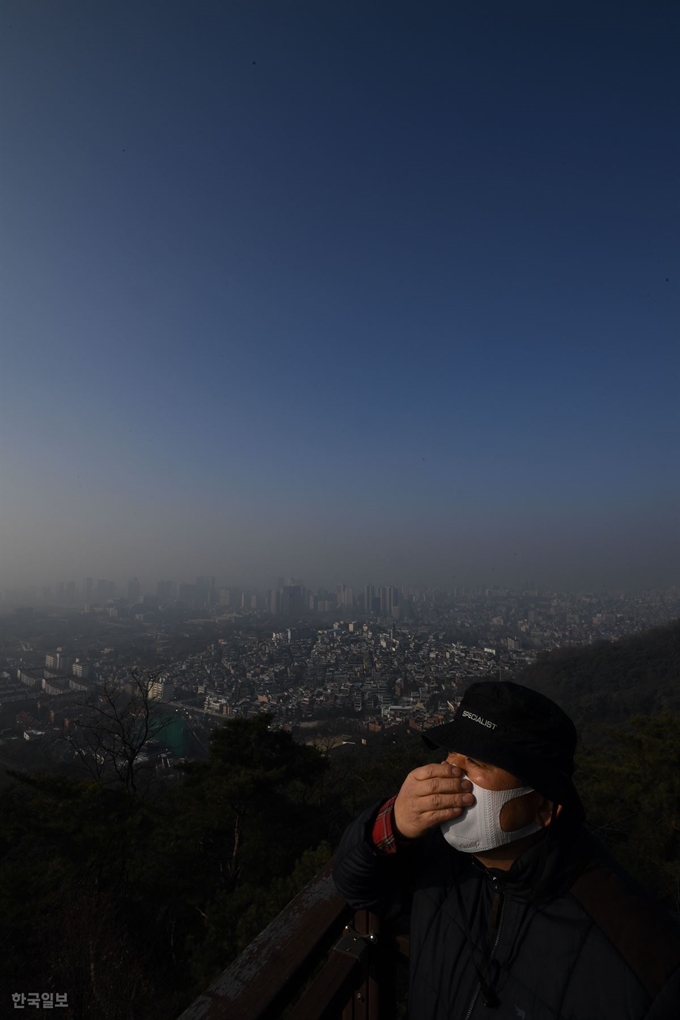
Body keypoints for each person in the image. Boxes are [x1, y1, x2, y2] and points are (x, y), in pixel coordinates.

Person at [333, 681, 680, 1019]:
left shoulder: (638, 956)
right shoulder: (438, 856)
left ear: (544, 807)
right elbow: (355, 886)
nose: (450, 771)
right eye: (450, 753)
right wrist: (395, 822)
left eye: (477, 762)